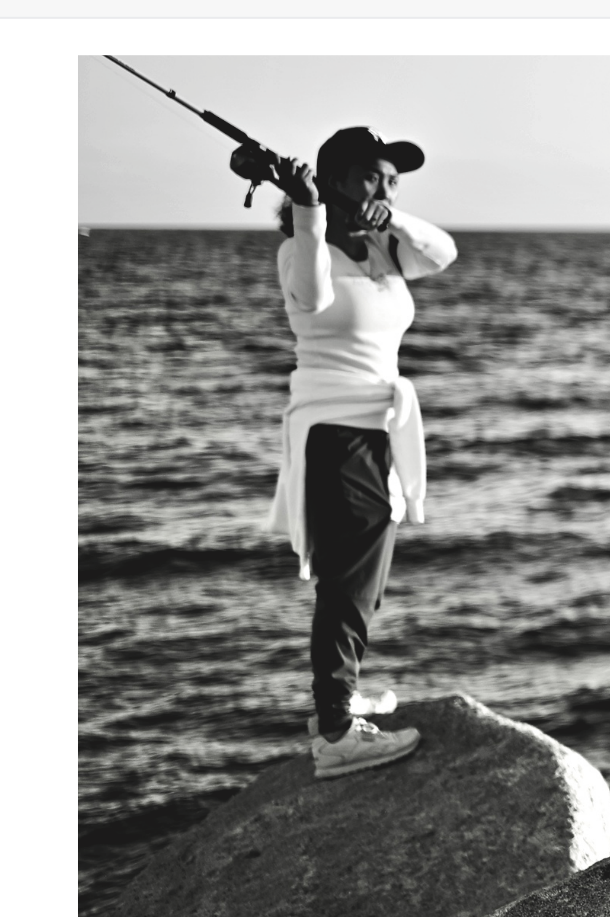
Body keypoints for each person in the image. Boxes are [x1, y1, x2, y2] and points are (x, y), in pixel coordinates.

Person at [257, 127, 458, 779]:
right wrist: (311, 208)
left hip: (378, 430)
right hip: (336, 429)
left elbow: (444, 252)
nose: (386, 187)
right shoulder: (300, 249)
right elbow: (313, 297)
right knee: (347, 585)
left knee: (364, 581)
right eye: (374, 176)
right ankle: (338, 733)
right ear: (336, 178)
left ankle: (334, 701)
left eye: (394, 180)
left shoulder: (386, 247)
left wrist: (391, 215)